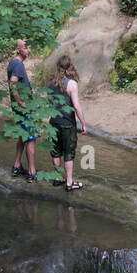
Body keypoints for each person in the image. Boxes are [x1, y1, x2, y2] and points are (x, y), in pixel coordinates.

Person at [47, 55, 87, 192]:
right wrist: (84, 124)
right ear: (70, 67)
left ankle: (58, 179)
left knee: (56, 150)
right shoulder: (72, 84)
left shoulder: (51, 83)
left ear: (58, 67)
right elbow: (76, 106)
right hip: (68, 124)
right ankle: (69, 183)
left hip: (53, 122)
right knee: (69, 152)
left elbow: (50, 103)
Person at [7, 38, 39, 183]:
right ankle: (32, 172)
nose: (29, 50)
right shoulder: (18, 64)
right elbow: (13, 83)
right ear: (18, 49)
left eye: (30, 47)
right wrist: (20, 101)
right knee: (31, 138)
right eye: (26, 48)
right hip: (23, 109)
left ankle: (16, 165)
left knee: (22, 135)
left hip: (18, 108)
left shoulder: (13, 63)